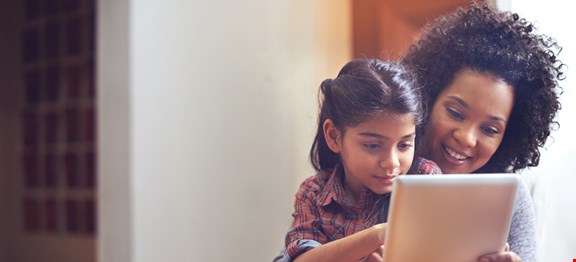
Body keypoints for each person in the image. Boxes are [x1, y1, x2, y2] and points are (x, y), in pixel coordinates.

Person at [402, 2, 565, 262]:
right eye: (455, 113)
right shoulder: (382, 171)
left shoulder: (511, 200)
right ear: (427, 98)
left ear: (508, 136)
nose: (466, 137)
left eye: (490, 129)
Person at [275, 58, 441, 262]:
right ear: (334, 136)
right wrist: (376, 236)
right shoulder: (314, 193)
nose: (392, 162)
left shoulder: (426, 180)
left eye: (404, 145)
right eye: (373, 146)